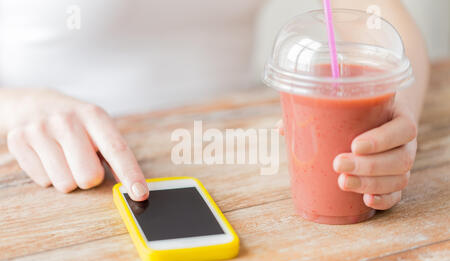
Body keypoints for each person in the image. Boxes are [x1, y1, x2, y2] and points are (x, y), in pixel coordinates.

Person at [0, 0, 429, 210]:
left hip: (240, 160)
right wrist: (21, 105)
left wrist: (397, 116)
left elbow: (382, 20)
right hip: (56, 180)